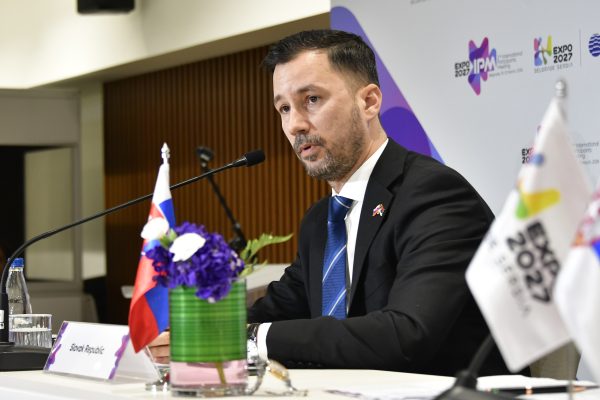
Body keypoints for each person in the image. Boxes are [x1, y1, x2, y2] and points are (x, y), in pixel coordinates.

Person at [150, 29, 509, 377]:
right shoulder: (321, 219)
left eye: (312, 100)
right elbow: (281, 308)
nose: (295, 125)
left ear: (369, 102)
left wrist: (252, 337)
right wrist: (196, 332)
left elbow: (407, 333)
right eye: (284, 108)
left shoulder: (434, 194)